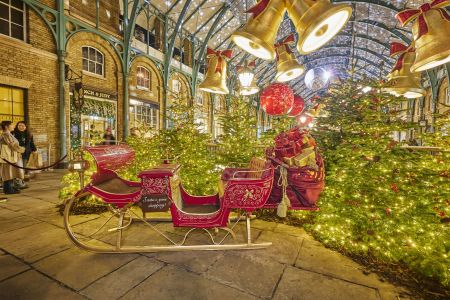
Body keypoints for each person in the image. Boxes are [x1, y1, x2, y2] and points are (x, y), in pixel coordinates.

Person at [0, 121, 25, 194]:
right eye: (12, 125)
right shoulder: (6, 135)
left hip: (9, 157)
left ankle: (10, 188)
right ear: (7, 127)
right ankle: (8, 189)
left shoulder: (8, 134)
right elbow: (12, 145)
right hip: (6, 158)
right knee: (7, 173)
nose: (13, 126)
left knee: (10, 173)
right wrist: (22, 149)